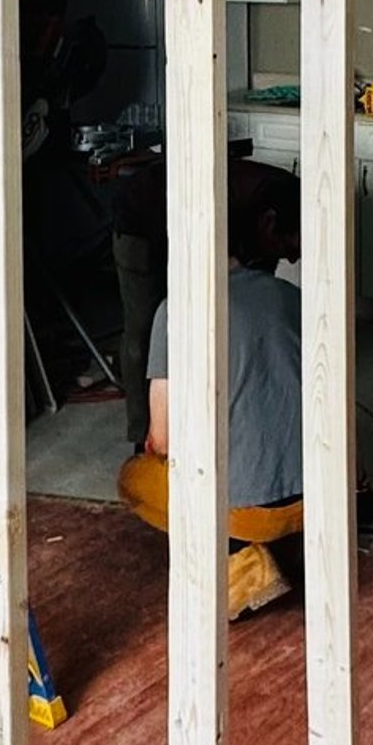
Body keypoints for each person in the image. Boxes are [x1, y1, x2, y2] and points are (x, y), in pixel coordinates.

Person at [117, 166, 305, 617]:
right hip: (314, 496)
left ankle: (242, 562)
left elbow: (162, 439)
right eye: (289, 244)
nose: (293, 255)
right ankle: (294, 544)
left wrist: (157, 448)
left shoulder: (175, 311)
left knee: (136, 478)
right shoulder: (292, 296)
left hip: (246, 510)